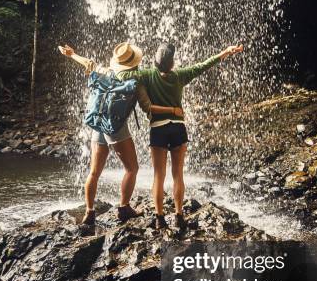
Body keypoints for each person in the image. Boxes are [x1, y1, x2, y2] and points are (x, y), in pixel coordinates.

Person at [118, 43, 244, 229]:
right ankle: (178, 215)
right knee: (178, 175)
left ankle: (160, 218)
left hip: (158, 129)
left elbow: (123, 75)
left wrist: (117, 64)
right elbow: (204, 65)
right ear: (172, 63)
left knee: (158, 176)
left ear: (155, 62)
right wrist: (225, 52)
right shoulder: (180, 75)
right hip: (178, 128)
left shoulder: (146, 75)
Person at [58, 42, 183, 228]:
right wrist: (173, 109)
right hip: (116, 128)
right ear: (134, 62)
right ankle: (124, 208)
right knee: (132, 169)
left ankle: (89, 212)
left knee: (94, 172)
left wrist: (72, 54)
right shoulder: (135, 79)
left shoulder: (105, 71)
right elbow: (147, 106)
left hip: (98, 123)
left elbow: (88, 63)